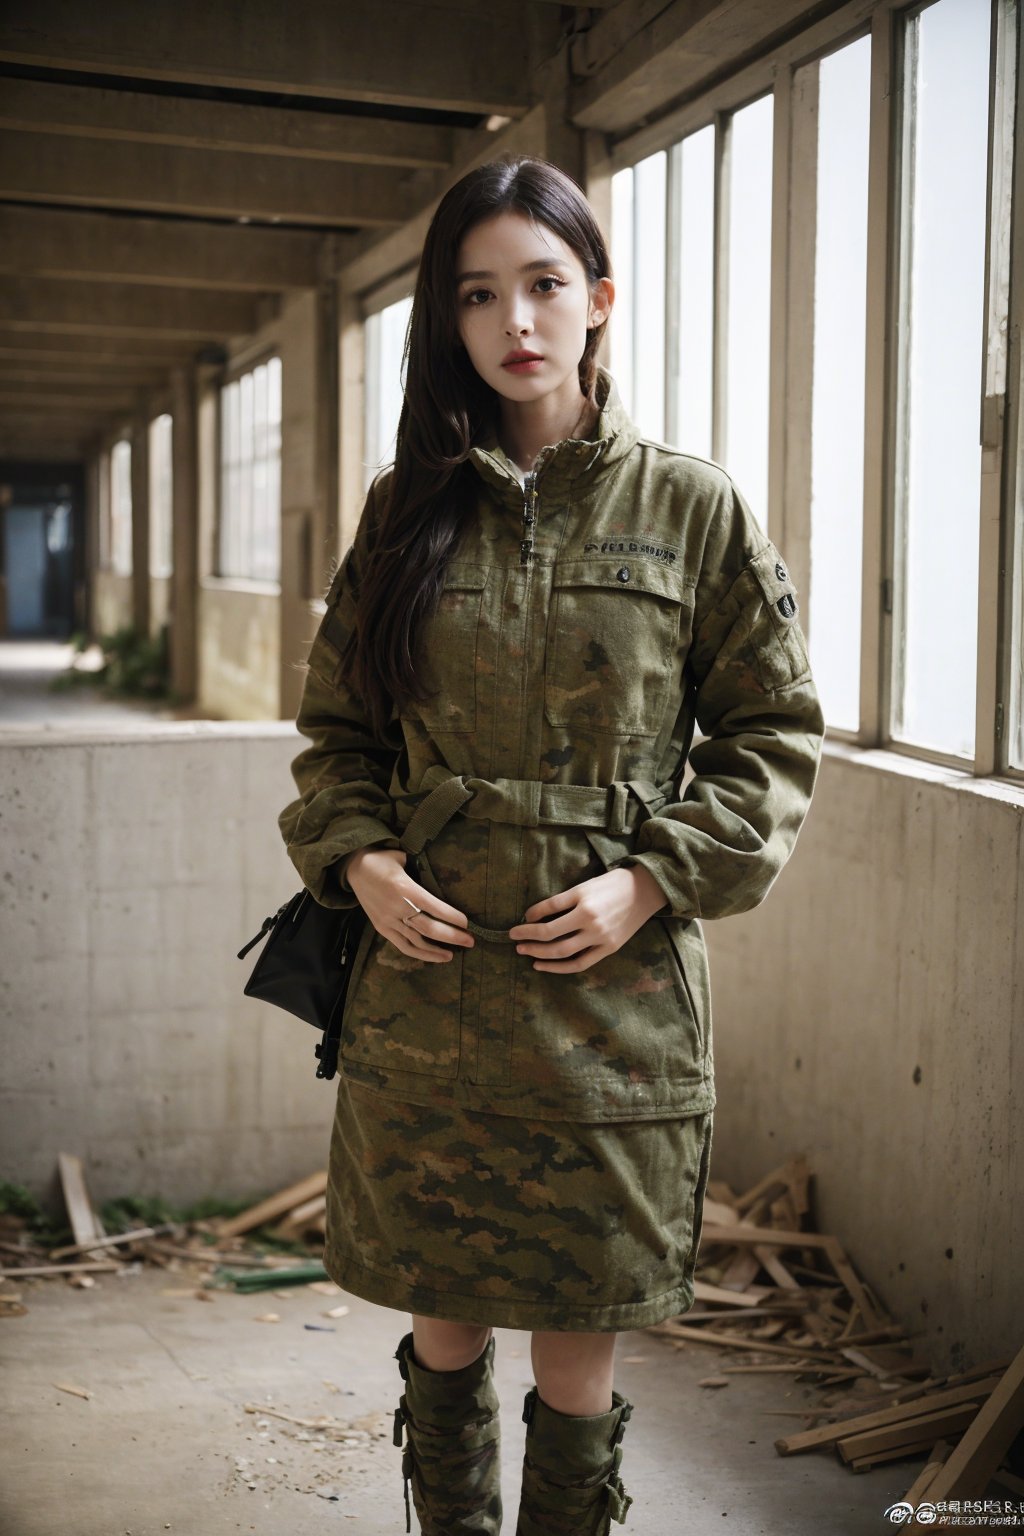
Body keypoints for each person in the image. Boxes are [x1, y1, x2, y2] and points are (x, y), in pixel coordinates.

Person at [278, 154, 825, 1535]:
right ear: (449, 320)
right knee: (446, 1332)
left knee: (580, 1349)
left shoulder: (691, 511)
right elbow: (335, 739)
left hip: (610, 1014)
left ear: (598, 301)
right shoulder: (405, 513)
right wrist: (364, 866)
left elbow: (776, 742)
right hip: (432, 999)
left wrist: (649, 884)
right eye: (479, 294)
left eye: (542, 284)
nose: (514, 320)